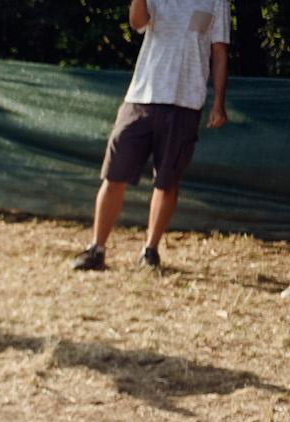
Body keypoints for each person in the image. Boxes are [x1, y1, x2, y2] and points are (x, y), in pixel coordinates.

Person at [71, 0, 230, 271]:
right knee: (114, 175)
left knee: (167, 181)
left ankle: (150, 251)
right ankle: (96, 249)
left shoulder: (217, 2)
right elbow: (137, 22)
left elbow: (219, 52)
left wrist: (218, 103)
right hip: (141, 98)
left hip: (186, 102)